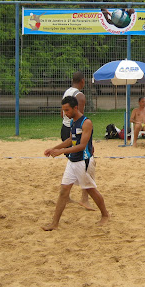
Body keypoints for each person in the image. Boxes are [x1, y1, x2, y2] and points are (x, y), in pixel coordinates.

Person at [42, 96, 109, 231]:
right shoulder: (73, 121)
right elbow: (70, 140)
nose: (65, 113)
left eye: (67, 110)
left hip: (83, 161)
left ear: (75, 108)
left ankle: (105, 215)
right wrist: (54, 148)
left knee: (91, 190)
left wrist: (61, 151)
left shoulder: (86, 122)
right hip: (72, 161)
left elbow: (82, 145)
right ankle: (54, 223)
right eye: (63, 110)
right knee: (63, 191)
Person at [61, 71, 93, 210]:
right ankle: (84, 199)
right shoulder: (79, 95)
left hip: (65, 127)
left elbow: (62, 113)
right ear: (83, 81)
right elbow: (79, 118)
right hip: (75, 131)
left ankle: (66, 194)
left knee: (73, 162)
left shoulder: (67, 92)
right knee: (85, 161)